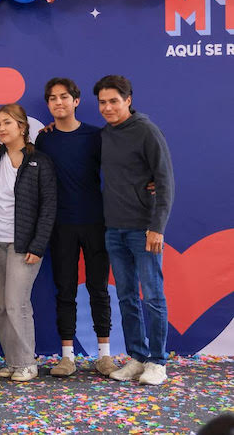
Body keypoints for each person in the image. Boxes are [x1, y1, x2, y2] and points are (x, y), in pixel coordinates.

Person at [94, 75, 175, 386]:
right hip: (113, 229)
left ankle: (157, 362)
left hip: (144, 230)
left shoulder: (146, 130)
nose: (108, 107)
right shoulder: (104, 135)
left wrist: (157, 227)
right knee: (127, 297)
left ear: (128, 100)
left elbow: (165, 181)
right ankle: (138, 357)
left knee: (152, 296)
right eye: (102, 102)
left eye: (114, 101)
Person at [34, 78, 116, 377]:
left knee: (98, 289)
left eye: (64, 97)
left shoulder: (96, 136)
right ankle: (67, 357)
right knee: (65, 289)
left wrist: (149, 183)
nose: (58, 102)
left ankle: (104, 356)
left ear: (76, 101)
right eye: (52, 98)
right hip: (61, 225)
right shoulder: (45, 139)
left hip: (95, 222)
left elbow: (121, 167)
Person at [0, 104, 57, 382]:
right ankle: (13, 360)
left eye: (7, 122)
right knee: (2, 307)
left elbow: (49, 207)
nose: (2, 128)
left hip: (24, 245)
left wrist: (37, 245)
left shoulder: (39, 161)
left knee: (17, 304)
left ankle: (27, 362)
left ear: (22, 126)